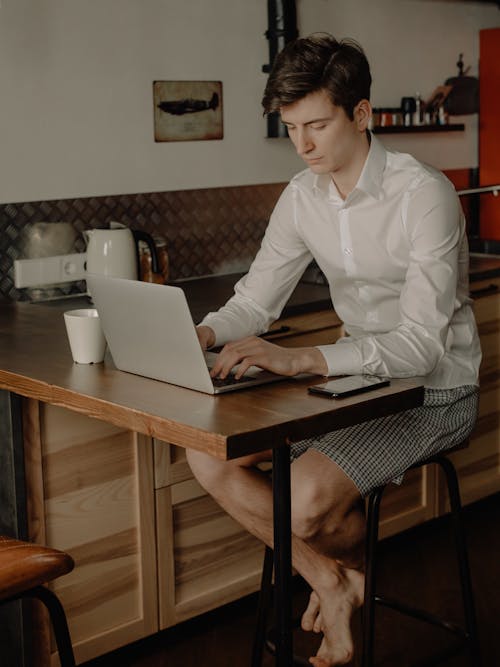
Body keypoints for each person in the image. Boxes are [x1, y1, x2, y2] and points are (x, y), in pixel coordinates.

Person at [187, 33, 481, 667]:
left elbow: (424, 345)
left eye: (316, 124)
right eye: (291, 127)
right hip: (356, 383)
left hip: (438, 390)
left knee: (304, 503)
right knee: (206, 456)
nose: (303, 145)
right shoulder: (302, 197)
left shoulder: (423, 194)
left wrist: (302, 358)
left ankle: (340, 582)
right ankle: (333, 581)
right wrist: (206, 332)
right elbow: (254, 299)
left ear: (362, 114)